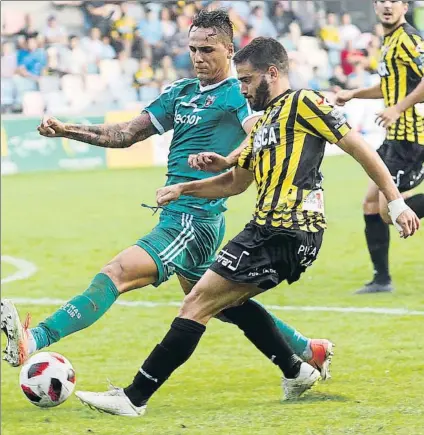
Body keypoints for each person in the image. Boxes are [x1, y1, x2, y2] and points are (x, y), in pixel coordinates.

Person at [74, 37, 419, 417]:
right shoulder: (264, 122)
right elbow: (235, 183)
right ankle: (298, 369)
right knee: (230, 302)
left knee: (197, 303)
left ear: (273, 73)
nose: (241, 88)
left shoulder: (306, 103)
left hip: (289, 228)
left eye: (247, 80)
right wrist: (185, 187)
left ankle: (133, 398)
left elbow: (360, 148)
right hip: (263, 229)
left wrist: (397, 201)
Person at [1, 10, 332, 381]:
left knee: (117, 272)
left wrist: (227, 160)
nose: (198, 57)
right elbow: (125, 134)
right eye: (192, 49)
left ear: (228, 49)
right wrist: (67, 130)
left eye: (207, 49)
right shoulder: (181, 92)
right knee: (223, 303)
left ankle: (35, 338)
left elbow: (259, 137)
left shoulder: (238, 94)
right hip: (179, 214)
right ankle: (307, 350)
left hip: (194, 217)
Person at [335, 0, 424, 294]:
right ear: (375, 6)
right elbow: (388, 86)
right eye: (382, 0)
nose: (387, 6)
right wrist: (354, 94)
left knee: (389, 212)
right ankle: (381, 279)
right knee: (371, 205)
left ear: (404, 6)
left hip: (411, 139)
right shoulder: (388, 42)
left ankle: (382, 278)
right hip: (394, 137)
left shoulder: (410, 39)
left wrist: (398, 108)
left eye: (394, 1)